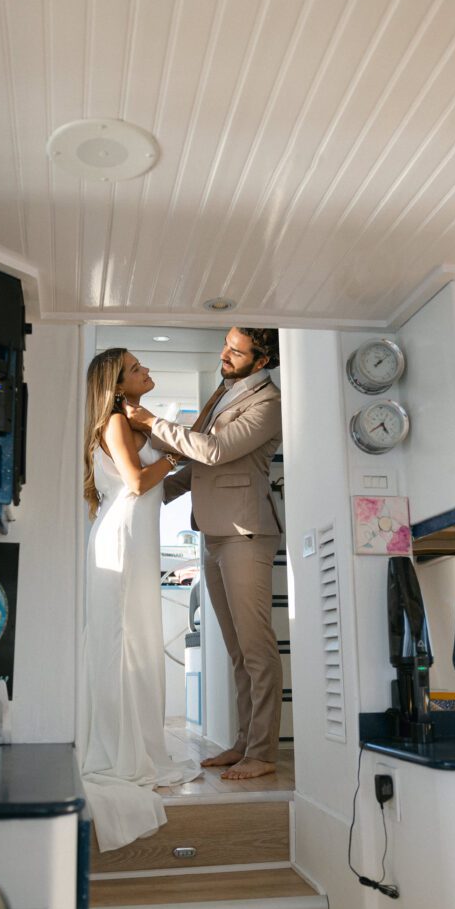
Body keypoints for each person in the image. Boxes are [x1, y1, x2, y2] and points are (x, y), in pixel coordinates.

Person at [125, 327, 283, 781]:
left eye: (236, 350)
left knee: (256, 648)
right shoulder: (223, 391)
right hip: (213, 533)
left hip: (246, 532)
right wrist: (145, 494)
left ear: (262, 359)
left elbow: (214, 451)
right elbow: (193, 465)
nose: (225, 353)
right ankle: (243, 743)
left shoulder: (268, 403)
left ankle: (265, 753)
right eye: (227, 345)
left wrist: (153, 422)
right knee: (236, 651)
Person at [80, 347, 200, 852]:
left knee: (136, 643)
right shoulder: (113, 422)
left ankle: (133, 743)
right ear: (116, 382)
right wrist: (173, 455)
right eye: (136, 368)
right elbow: (135, 482)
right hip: (124, 541)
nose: (146, 370)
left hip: (135, 538)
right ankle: (124, 750)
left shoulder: (132, 423)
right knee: (125, 644)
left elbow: (154, 485)